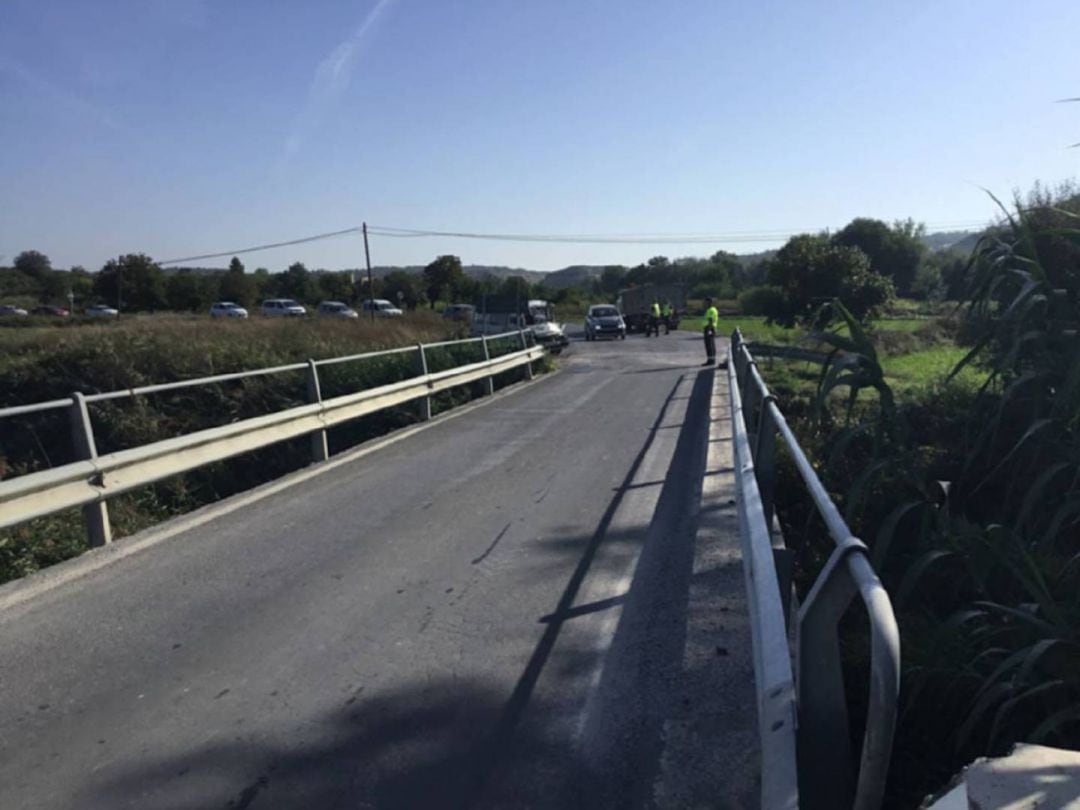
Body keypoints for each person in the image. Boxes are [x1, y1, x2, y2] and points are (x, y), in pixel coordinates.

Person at [702, 297, 719, 366]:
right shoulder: (712, 309)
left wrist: (710, 329)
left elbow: (710, 320)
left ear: (709, 302)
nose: (704, 304)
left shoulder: (710, 310)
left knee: (709, 345)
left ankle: (710, 360)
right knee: (711, 345)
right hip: (710, 328)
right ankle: (712, 359)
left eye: (706, 302)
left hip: (709, 328)